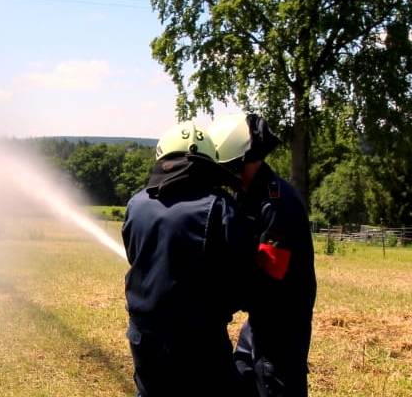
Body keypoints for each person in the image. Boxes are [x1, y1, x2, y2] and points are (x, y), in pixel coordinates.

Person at [122, 121, 259, 396]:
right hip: (198, 343)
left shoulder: (136, 204)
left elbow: (133, 254)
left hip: (142, 338)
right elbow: (243, 280)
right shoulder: (219, 206)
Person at [209, 113, 317, 397]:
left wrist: (219, 298)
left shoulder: (277, 204)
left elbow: (269, 277)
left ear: (241, 162)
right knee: (242, 381)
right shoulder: (246, 195)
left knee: (273, 385)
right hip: (257, 324)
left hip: (282, 326)